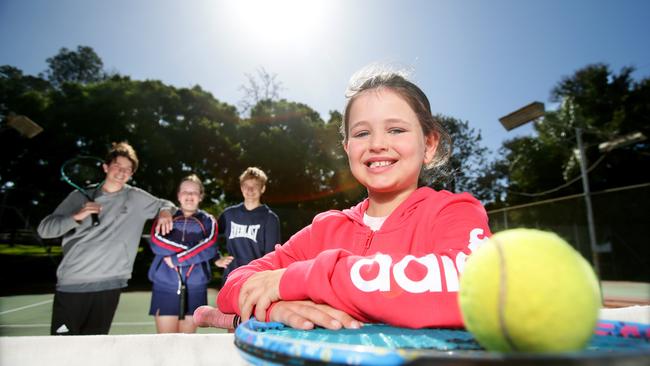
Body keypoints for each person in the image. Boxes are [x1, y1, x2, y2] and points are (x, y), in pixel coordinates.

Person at [207, 67, 492, 331]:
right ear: (347, 149)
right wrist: (277, 308)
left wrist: (299, 280)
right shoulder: (324, 229)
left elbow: (475, 289)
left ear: (429, 144)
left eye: (396, 129)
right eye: (362, 133)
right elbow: (237, 284)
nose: (377, 143)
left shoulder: (454, 212)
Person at [38, 141, 175, 335]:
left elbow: (166, 204)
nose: (121, 172)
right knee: (63, 352)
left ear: (131, 174)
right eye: (117, 166)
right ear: (105, 167)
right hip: (73, 284)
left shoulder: (136, 198)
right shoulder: (79, 196)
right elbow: (45, 229)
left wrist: (165, 211)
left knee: (96, 351)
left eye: (127, 169)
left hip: (110, 285)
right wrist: (76, 216)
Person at [148, 174, 233, 333]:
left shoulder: (209, 221)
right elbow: (157, 243)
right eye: (185, 191)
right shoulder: (166, 217)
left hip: (196, 287)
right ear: (178, 195)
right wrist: (194, 249)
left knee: (186, 344)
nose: (189, 196)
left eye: (194, 192)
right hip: (164, 285)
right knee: (165, 341)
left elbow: (209, 247)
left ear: (200, 196)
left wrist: (177, 259)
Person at [217, 167, 281, 285]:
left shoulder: (270, 218)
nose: (250, 189)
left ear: (263, 188)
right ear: (241, 188)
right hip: (230, 278)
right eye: (246, 185)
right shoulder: (229, 214)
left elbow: (272, 257)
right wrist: (216, 258)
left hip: (255, 280)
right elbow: (211, 237)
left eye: (255, 185)